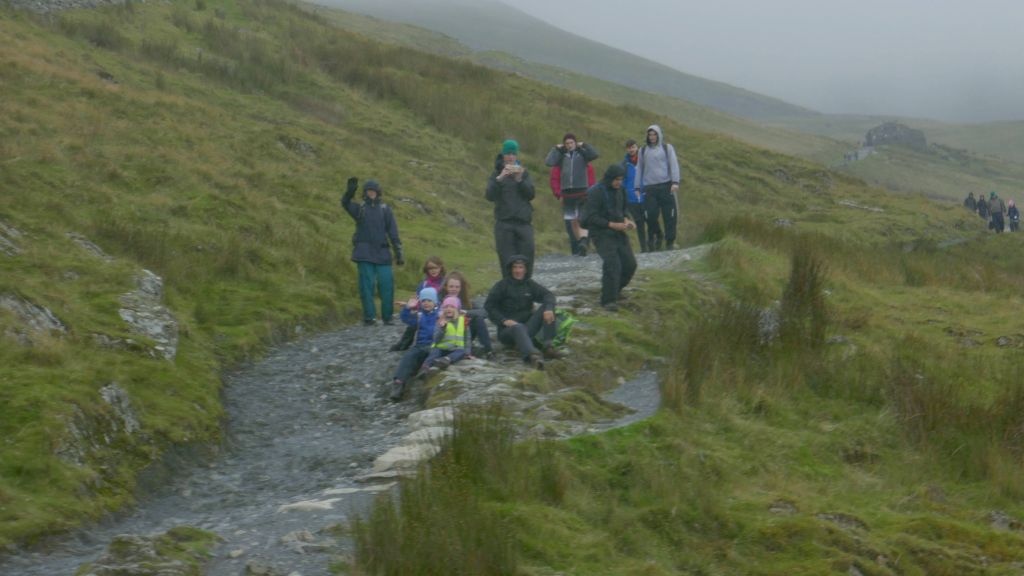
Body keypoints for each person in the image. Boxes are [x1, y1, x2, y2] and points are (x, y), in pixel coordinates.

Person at [341, 177, 403, 326]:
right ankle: (370, 317)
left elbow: (393, 232)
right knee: (366, 286)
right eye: (369, 190)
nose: (371, 193)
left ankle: (387, 317)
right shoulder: (359, 209)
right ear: (365, 193)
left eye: (373, 190)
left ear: (378, 192)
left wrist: (398, 251)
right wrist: (349, 192)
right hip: (364, 253)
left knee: (386, 285)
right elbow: (345, 203)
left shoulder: (386, 210)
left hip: (383, 253)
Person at [484, 255, 561, 370]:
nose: (518, 271)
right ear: (510, 269)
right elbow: (489, 306)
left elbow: (548, 295)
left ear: (525, 270)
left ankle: (548, 347)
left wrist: (549, 308)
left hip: (528, 328)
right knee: (518, 327)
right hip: (507, 331)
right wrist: (503, 320)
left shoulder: (530, 284)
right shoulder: (501, 286)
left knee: (548, 308)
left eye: (520, 267)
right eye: (515, 267)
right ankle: (532, 356)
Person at [581, 164, 638, 311]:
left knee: (630, 264)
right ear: (609, 178)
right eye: (616, 179)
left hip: (619, 232)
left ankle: (615, 291)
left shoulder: (621, 191)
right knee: (613, 264)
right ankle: (608, 301)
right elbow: (590, 217)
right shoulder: (596, 192)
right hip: (601, 234)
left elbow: (624, 209)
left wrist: (627, 220)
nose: (619, 182)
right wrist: (611, 224)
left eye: (621, 179)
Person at [486, 140, 536, 276]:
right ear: (503, 155)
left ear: (516, 156)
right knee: (507, 261)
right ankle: (508, 292)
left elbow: (531, 194)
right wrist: (500, 177)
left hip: (523, 223)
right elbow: (489, 195)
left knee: (527, 259)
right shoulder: (496, 173)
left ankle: (526, 289)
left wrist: (520, 180)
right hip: (504, 224)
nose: (511, 157)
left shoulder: (523, 173)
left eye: (513, 154)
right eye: (508, 154)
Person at [545, 134, 599, 256]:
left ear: (575, 143)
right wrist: (555, 148)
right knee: (572, 219)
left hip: (582, 191)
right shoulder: (561, 157)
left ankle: (584, 240)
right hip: (567, 193)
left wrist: (584, 145)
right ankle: (581, 243)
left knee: (582, 218)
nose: (569, 145)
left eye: (571, 143)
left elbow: (594, 154)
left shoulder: (583, 154)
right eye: (567, 143)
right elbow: (548, 162)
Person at [388, 287, 440, 401]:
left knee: (434, 355)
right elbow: (406, 319)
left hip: (434, 346)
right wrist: (407, 308)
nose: (426, 303)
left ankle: (424, 371)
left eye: (429, 300)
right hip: (420, 346)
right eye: (423, 301)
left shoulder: (440, 315)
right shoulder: (419, 315)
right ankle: (398, 383)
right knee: (408, 357)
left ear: (435, 302)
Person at [635, 124, 681, 251]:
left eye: (654, 134)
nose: (652, 137)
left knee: (670, 216)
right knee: (650, 215)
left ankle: (670, 242)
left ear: (659, 134)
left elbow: (673, 164)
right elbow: (639, 169)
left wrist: (675, 182)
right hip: (650, 188)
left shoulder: (667, 148)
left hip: (666, 186)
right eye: (650, 135)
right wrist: (637, 187)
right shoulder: (643, 151)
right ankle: (657, 235)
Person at [390, 256, 447, 351]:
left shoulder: (445, 283)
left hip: (440, 312)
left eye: (436, 267)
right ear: (426, 270)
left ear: (441, 268)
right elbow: (418, 300)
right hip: (424, 311)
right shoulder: (423, 284)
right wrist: (407, 305)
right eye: (430, 268)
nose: (433, 270)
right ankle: (403, 344)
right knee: (414, 323)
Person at [442, 270, 495, 360]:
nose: (454, 289)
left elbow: (484, 312)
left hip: (464, 335)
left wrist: (466, 313)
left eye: (457, 287)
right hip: (446, 335)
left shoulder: (466, 302)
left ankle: (489, 351)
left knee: (478, 319)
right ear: (446, 287)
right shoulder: (441, 300)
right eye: (451, 286)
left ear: (461, 288)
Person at [549, 162, 596, 256]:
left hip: (584, 196)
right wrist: (559, 194)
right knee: (571, 224)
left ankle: (584, 247)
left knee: (584, 222)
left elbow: (591, 179)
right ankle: (577, 251)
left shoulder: (584, 161)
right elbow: (555, 179)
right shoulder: (560, 164)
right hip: (568, 197)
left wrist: (590, 193)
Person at [423, 296, 472, 373]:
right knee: (435, 352)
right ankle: (426, 366)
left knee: (462, 352)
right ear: (443, 309)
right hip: (441, 348)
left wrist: (468, 353)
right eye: (446, 307)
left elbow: (467, 338)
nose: (449, 309)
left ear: (457, 309)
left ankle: (446, 359)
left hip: (455, 349)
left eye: (452, 307)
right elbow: (436, 338)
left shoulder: (463, 321)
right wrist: (442, 329)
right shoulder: (440, 320)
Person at [621, 139, 647, 252]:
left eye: (633, 147)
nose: (631, 149)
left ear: (637, 148)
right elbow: (623, 182)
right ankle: (644, 248)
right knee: (639, 224)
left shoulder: (645, 162)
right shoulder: (624, 165)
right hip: (631, 199)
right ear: (627, 149)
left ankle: (653, 244)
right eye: (629, 147)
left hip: (646, 197)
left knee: (651, 222)